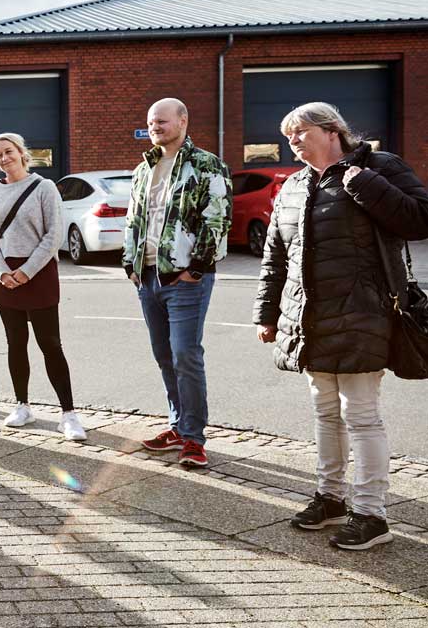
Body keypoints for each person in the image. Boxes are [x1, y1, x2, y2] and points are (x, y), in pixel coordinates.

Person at [255, 102, 428, 550]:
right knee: (325, 412)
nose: (292, 141)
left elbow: (419, 219)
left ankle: (371, 515)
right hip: (309, 318)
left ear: (332, 130)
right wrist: (267, 313)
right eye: (288, 135)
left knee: (361, 415)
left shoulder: (379, 167)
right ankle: (330, 498)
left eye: (300, 131)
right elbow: (276, 256)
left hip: (363, 314)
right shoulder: (294, 185)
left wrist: (364, 183)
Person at [124, 98, 231, 467]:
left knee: (185, 354)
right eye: (151, 122)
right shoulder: (144, 168)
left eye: (162, 121)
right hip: (147, 276)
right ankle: (178, 425)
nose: (155, 127)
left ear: (183, 121)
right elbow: (133, 219)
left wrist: (196, 268)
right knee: (164, 355)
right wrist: (130, 264)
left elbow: (217, 218)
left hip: (186, 279)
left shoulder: (206, 164)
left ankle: (193, 438)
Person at [0, 133, 85, 440]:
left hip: (38, 274)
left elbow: (53, 235)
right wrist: (2, 271)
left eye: (8, 151)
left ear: (21, 152)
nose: (4, 158)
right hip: (4, 277)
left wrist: (25, 272)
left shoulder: (44, 187)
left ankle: (69, 415)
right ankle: (22, 406)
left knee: (50, 344)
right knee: (15, 343)